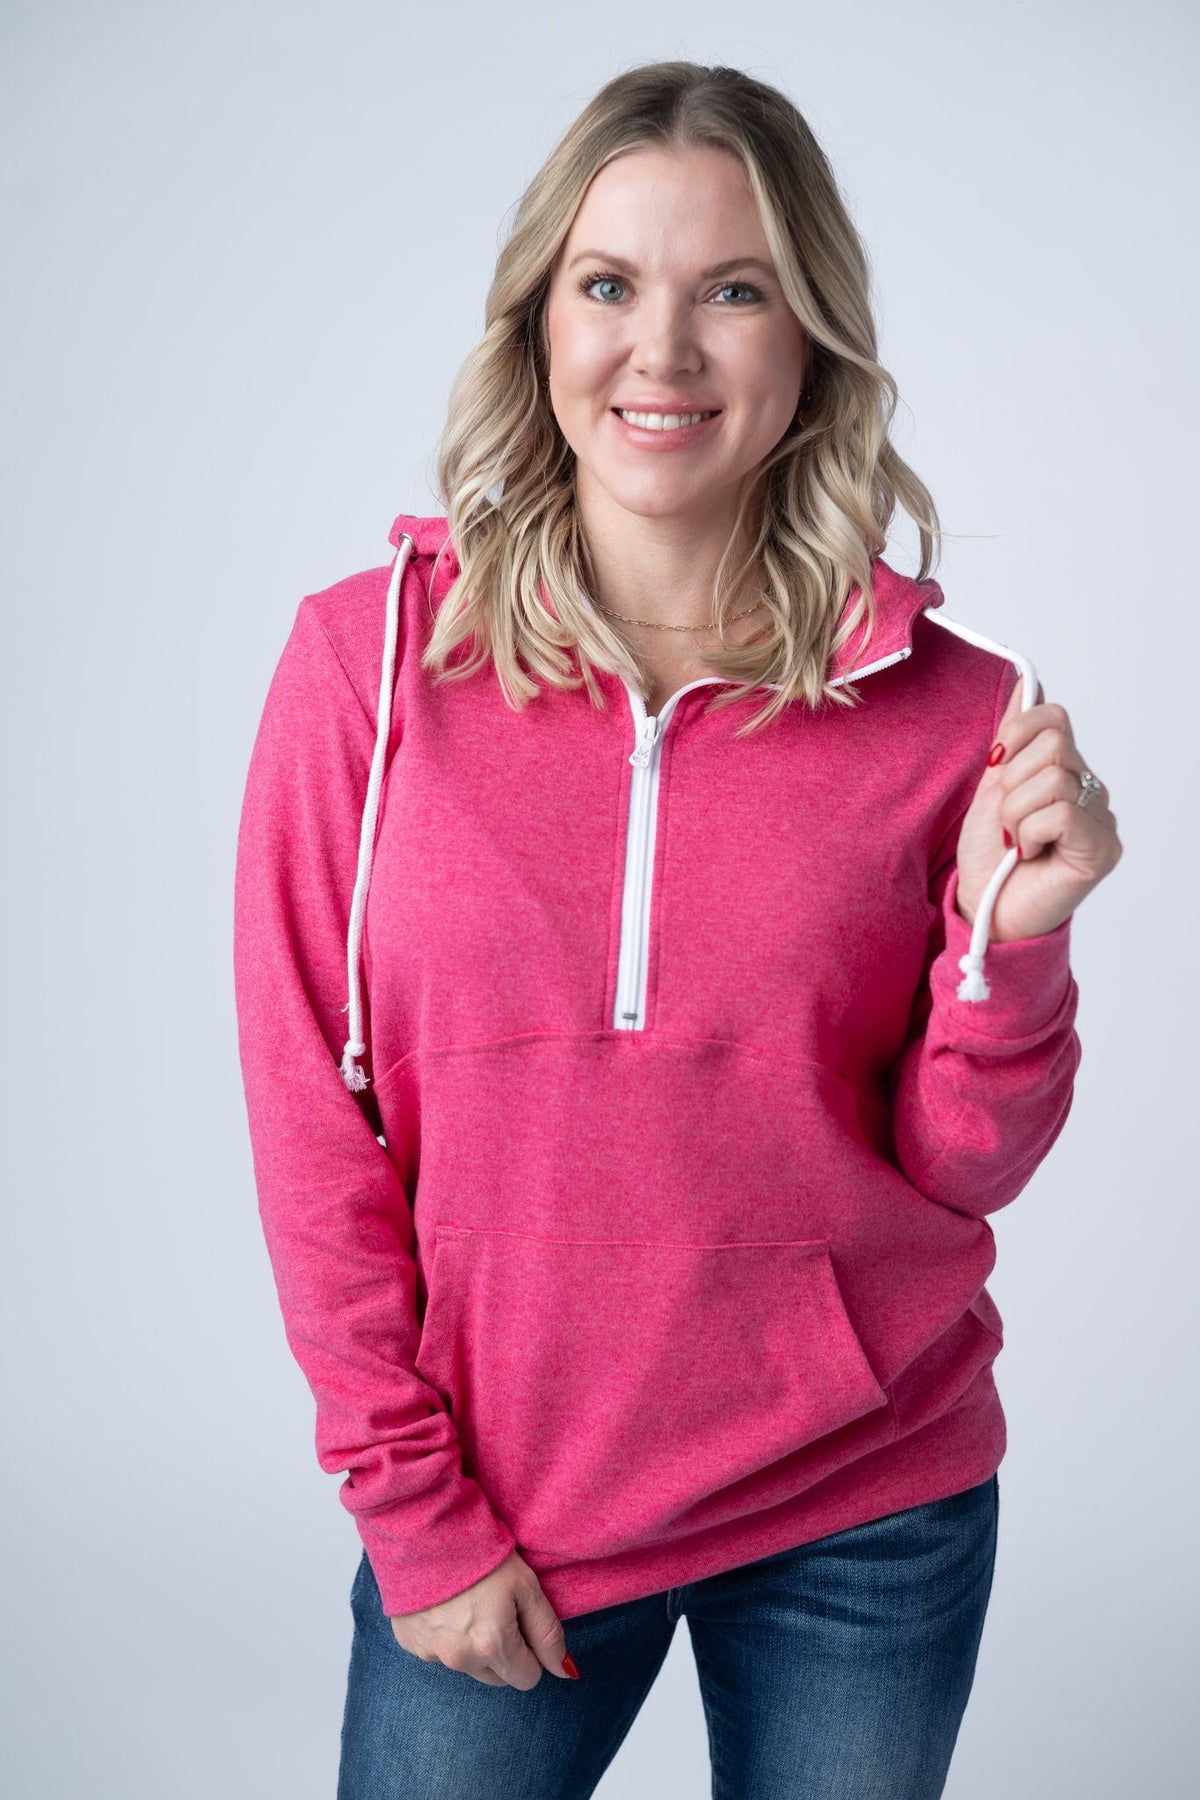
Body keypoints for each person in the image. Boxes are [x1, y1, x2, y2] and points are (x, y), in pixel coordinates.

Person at [233, 59, 1121, 1800]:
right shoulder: (368, 668)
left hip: (870, 1506)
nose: (666, 351)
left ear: (811, 343)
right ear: (538, 324)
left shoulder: (954, 713)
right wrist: (411, 1508)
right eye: (611, 286)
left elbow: (957, 1162)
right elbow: (307, 1116)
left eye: (735, 290)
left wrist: (1015, 946)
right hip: (507, 1511)